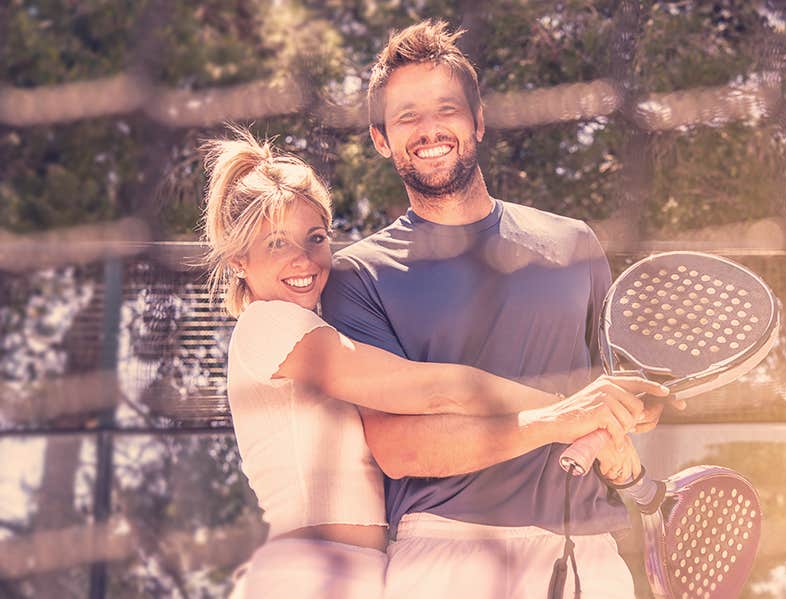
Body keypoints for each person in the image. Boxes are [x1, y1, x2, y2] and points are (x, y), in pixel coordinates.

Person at [201, 127, 665, 599]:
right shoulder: (270, 327)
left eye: (315, 238)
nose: (305, 260)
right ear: (238, 259)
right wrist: (573, 412)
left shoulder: (318, 327)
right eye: (277, 243)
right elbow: (435, 390)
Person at [320, 19, 675, 599]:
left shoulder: (574, 244)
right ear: (381, 138)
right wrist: (558, 421)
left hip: (585, 550)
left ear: (478, 122)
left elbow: (619, 395)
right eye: (406, 116)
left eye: (447, 109)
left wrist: (628, 414)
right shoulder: (358, 277)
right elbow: (397, 447)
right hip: (445, 554)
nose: (429, 129)